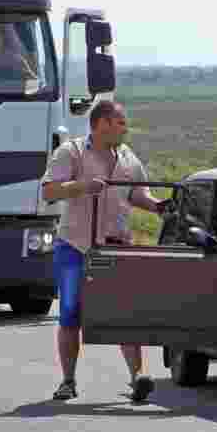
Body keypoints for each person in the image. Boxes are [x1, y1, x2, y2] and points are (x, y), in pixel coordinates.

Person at [41, 100, 171, 402]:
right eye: (120, 122)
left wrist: (157, 206)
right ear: (101, 124)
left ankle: (138, 377)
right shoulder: (71, 152)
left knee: (125, 312)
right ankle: (68, 381)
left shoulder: (127, 156)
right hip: (76, 245)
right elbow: (49, 190)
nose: (125, 128)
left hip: (116, 248)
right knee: (71, 313)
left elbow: (138, 194)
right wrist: (82, 186)